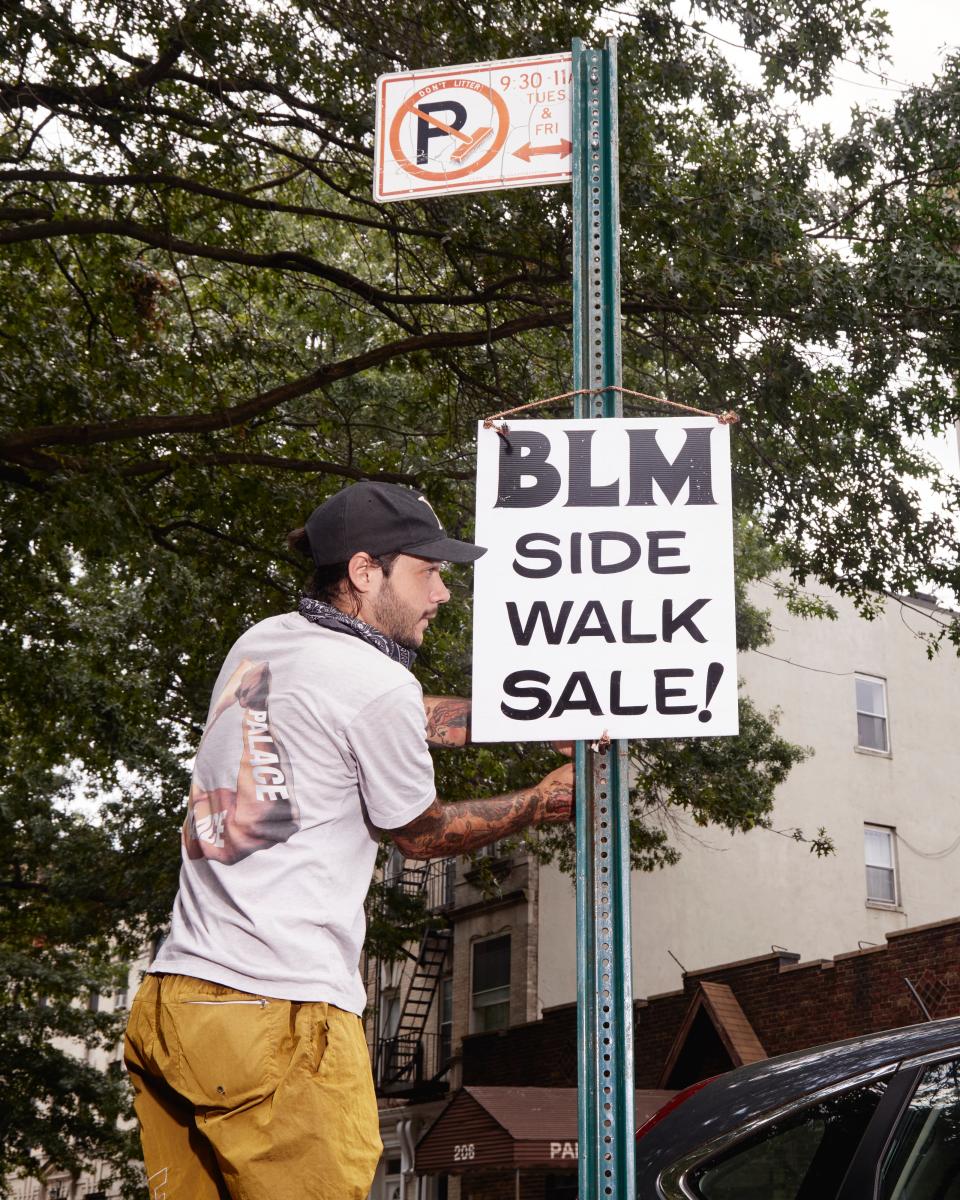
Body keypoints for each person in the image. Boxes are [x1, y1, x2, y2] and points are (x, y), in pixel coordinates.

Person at [124, 480, 574, 1200]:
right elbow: (422, 837)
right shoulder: (371, 682)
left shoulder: (263, 643)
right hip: (279, 1017)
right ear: (365, 573)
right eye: (427, 571)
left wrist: (522, 716)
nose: (443, 594)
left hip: (176, 1004)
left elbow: (388, 711)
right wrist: (541, 801)